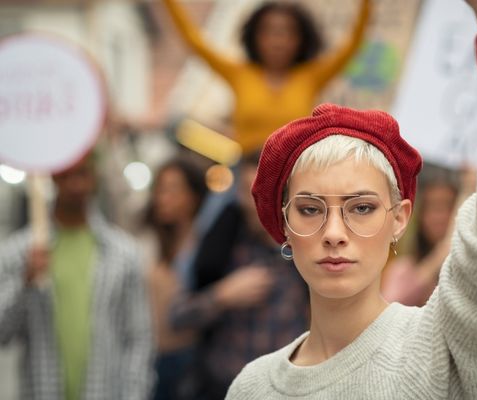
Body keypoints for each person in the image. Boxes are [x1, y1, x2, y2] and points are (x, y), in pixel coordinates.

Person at [226, 0, 477, 398]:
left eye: (362, 208)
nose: (333, 233)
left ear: (400, 218)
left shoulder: (445, 347)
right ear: (284, 225)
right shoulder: (251, 386)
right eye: (310, 209)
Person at [0, 153, 154, 400]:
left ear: (94, 177)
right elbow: (3, 333)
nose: (75, 185)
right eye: (66, 175)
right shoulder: (20, 252)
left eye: (82, 174)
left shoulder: (124, 253)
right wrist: (24, 282)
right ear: (53, 177)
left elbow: (138, 338)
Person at [169, 151, 310, 400]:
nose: (258, 203)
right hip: (222, 386)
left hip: (286, 389)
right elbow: (177, 317)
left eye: (267, 191)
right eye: (249, 192)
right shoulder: (220, 247)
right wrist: (222, 295)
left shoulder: (305, 250)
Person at [162, 0, 372, 154]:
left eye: (287, 32)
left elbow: (352, 45)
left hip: (295, 175)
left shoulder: (311, 77)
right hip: (245, 179)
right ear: (254, 37)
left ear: (301, 39)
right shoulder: (239, 74)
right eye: (269, 32)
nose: (277, 41)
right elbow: (194, 41)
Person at [145, 156, 208, 400]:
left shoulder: (204, 246)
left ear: (194, 196)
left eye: (173, 190)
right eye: (159, 190)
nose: (163, 198)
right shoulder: (153, 241)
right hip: (153, 358)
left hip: (189, 358)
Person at [381, 165, 476, 306]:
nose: (440, 217)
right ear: (420, 216)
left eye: (448, 206)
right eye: (434, 207)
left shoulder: (471, 270)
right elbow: (391, 305)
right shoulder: (402, 270)